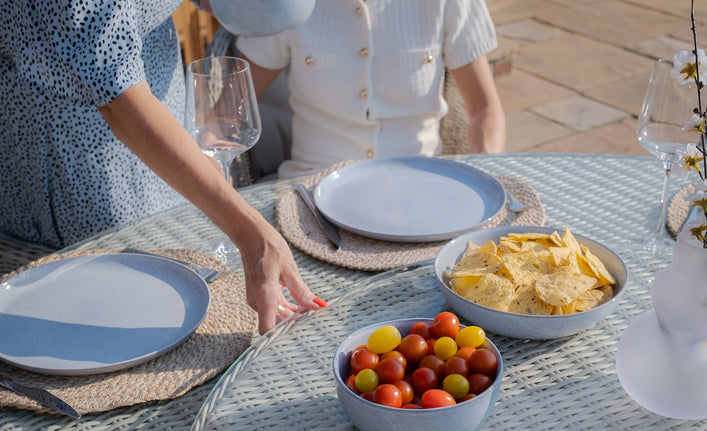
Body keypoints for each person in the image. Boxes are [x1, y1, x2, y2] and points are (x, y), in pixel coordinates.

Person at [0, 0, 324, 333]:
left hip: (171, 148)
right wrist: (250, 233)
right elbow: (118, 97)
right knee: (119, 317)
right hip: (86, 168)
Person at [234, 0, 506, 180]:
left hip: (422, 186)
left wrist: (484, 176)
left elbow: (485, 108)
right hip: (311, 189)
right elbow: (229, 112)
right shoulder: (286, 5)